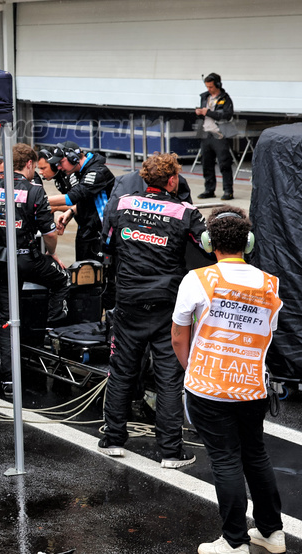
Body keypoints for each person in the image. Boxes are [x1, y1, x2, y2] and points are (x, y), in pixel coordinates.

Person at [172, 206, 285, 554]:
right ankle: (271, 532)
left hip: (209, 387)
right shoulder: (270, 284)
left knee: (225, 459)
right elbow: (268, 332)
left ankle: (234, 542)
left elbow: (178, 337)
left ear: (209, 242)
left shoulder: (197, 279)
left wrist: (192, 369)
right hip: (252, 386)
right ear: (247, 243)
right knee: (255, 455)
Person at [99, 152, 207, 468]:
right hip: (167, 307)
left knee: (121, 370)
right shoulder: (186, 212)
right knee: (169, 378)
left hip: (129, 301)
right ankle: (171, 453)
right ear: (172, 179)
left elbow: (104, 247)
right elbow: (211, 247)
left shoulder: (120, 205)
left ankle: (113, 439)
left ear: (145, 178)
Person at [0, 143, 68, 390]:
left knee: (6, 317)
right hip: (27, 260)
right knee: (62, 279)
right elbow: (50, 233)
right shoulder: (34, 191)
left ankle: (8, 378)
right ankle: (49, 333)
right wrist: (52, 254)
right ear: (30, 164)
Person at [53, 141, 115, 263]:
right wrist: (70, 212)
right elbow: (87, 200)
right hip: (86, 230)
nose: (59, 167)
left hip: (101, 235)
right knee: (81, 274)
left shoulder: (97, 172)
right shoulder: (80, 171)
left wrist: (37, 199)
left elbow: (72, 197)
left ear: (73, 158)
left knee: (99, 277)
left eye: (61, 162)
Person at [195, 73, 236, 200]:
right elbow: (203, 114)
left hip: (219, 134)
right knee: (206, 163)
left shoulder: (225, 99)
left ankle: (228, 190)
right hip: (206, 133)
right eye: (207, 87)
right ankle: (209, 189)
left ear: (217, 85)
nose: (209, 89)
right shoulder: (204, 97)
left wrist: (209, 112)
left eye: (211, 87)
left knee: (224, 163)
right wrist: (199, 113)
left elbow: (227, 115)